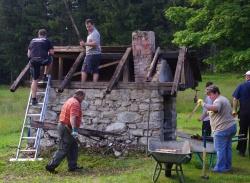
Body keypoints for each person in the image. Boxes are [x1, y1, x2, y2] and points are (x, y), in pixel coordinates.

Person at [198, 85, 237, 173]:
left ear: (216, 93)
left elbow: (215, 108)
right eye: (207, 94)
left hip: (222, 129)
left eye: (210, 94)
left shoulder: (218, 101)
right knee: (227, 148)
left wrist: (203, 104)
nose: (209, 96)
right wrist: (203, 115)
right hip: (231, 126)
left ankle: (220, 168)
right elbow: (214, 111)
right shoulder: (223, 99)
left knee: (220, 149)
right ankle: (227, 166)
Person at [46, 90, 85, 173]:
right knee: (63, 148)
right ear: (80, 95)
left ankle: (72, 166)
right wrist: (74, 130)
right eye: (83, 98)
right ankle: (51, 166)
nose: (83, 100)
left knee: (73, 147)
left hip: (65, 126)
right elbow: (73, 117)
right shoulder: (75, 103)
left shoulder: (69, 100)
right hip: (67, 128)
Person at [28, 29, 54, 105]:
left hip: (33, 61)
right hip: (43, 60)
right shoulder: (47, 40)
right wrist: (47, 53)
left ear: (38, 35)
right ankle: (45, 75)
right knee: (51, 59)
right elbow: (52, 52)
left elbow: (29, 53)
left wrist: (30, 60)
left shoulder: (32, 40)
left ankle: (33, 99)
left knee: (35, 80)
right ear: (45, 35)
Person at [232, 70, 250, 156]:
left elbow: (235, 99)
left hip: (244, 112)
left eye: (246, 76)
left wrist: (234, 110)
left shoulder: (241, 86)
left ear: (247, 77)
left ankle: (241, 150)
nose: (245, 77)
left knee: (243, 130)